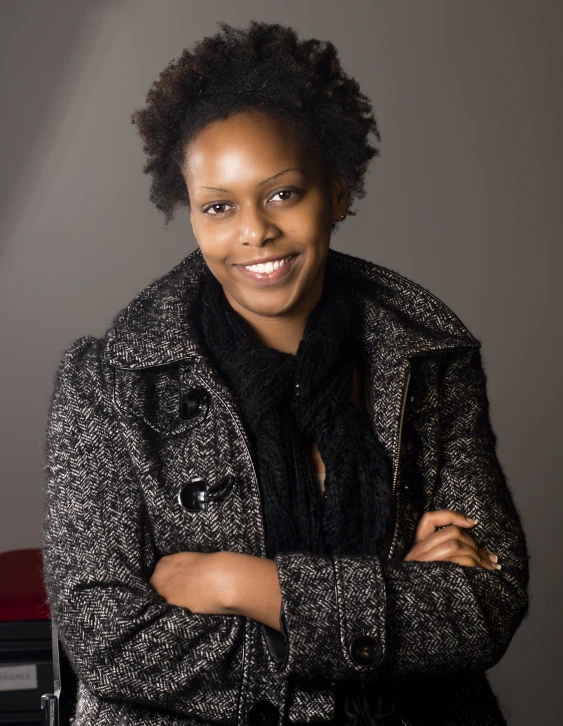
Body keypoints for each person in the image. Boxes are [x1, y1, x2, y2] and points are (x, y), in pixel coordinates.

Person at [41, 20, 529, 726]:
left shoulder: (427, 356)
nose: (253, 232)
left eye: (281, 194)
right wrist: (390, 619)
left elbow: (484, 608)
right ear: (192, 215)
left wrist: (232, 580)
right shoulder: (108, 382)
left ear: (335, 193)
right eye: (218, 206)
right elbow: (107, 640)